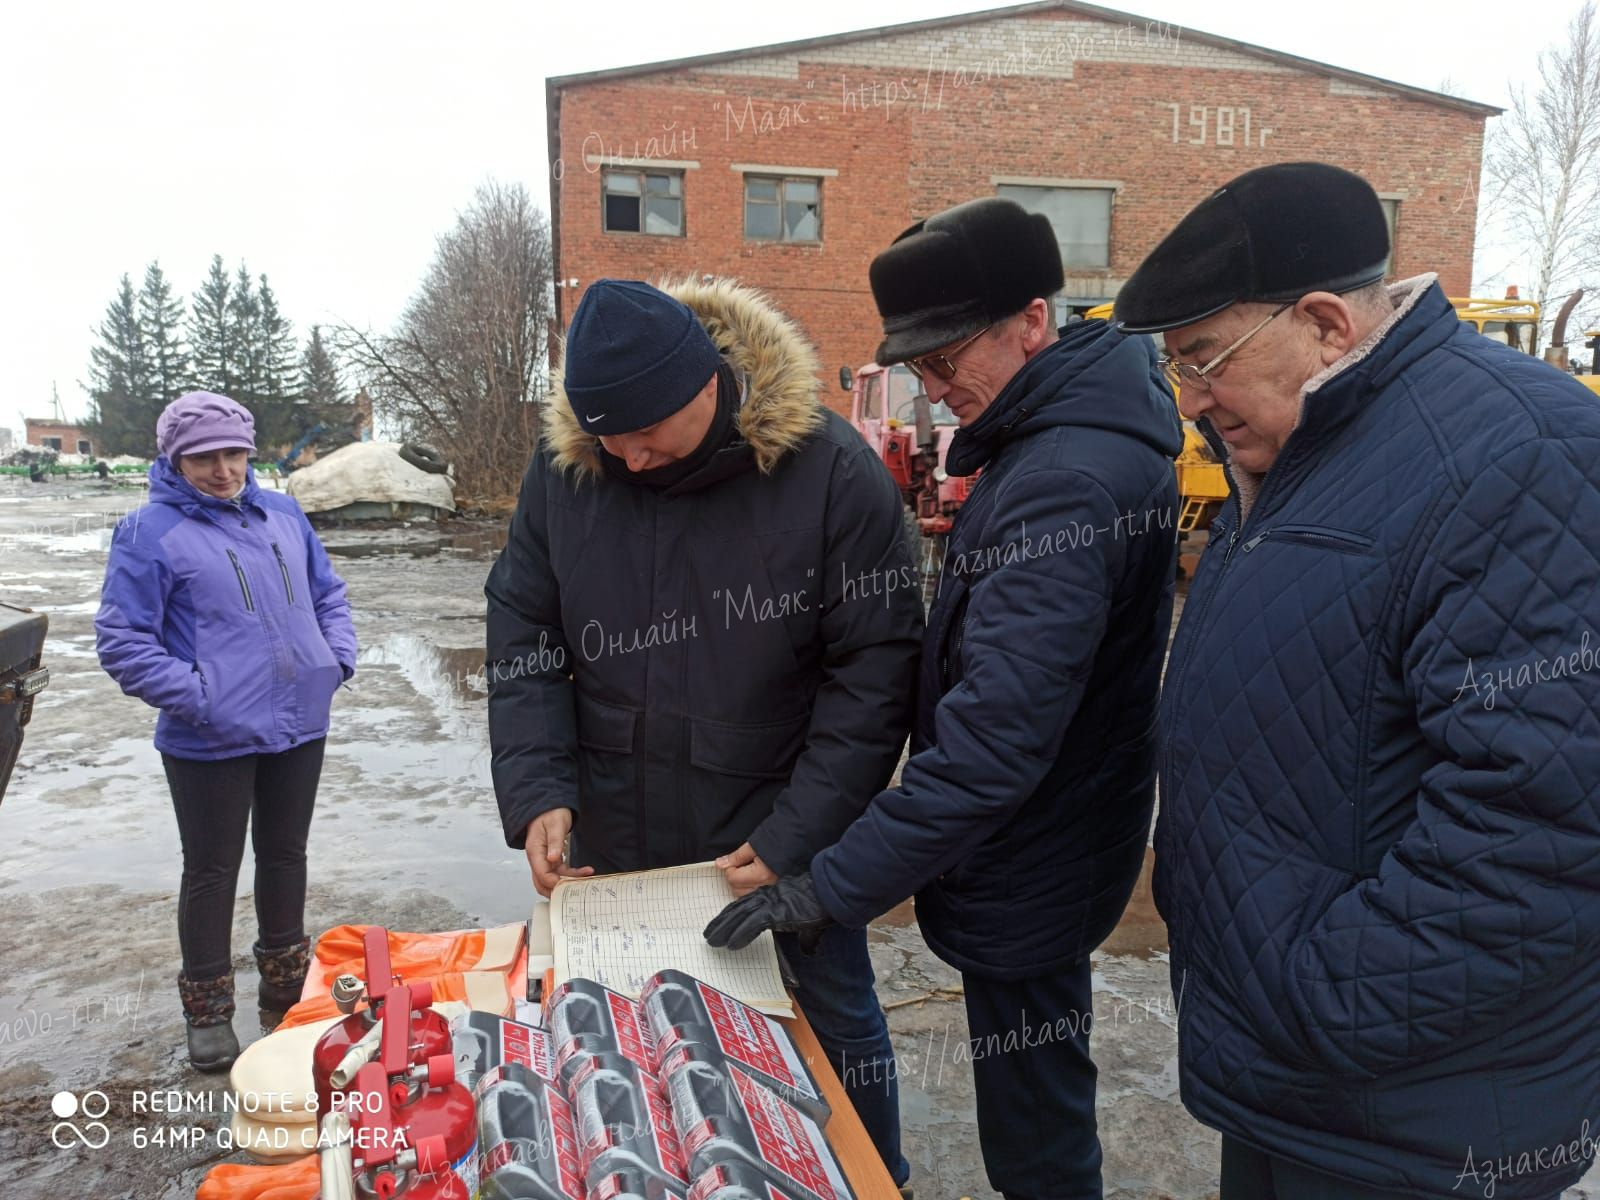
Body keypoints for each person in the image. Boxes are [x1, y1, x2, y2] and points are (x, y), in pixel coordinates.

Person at [1114, 161, 1600, 1200]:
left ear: (1327, 323)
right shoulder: (1306, 447)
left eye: (1204, 359)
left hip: (1416, 1113)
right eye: (1174, 368)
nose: (1189, 399)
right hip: (1306, 1082)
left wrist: (1322, 1001)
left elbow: (1545, 827)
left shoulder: (1520, 451)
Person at [706, 197, 1183, 1200]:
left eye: (949, 358)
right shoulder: (1065, 440)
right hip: (1057, 830)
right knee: (1036, 1089)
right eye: (917, 369)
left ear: (1033, 321)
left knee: (1036, 1125)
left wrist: (828, 887)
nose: (935, 389)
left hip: (1033, 844)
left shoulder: (1063, 478)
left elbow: (991, 745)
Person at [484, 277, 922, 1188]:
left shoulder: (830, 472)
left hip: (776, 837)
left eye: (649, 435)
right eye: (611, 438)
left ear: (708, 386)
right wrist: (539, 792)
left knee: (830, 1023)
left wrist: (799, 835)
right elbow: (523, 628)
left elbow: (873, 678)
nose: (632, 460)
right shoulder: (567, 473)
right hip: (619, 834)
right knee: (629, 1034)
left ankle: (879, 1174)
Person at [95, 391, 356, 1072]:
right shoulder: (148, 534)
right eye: (203, 457)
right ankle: (208, 1009)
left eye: (233, 452)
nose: (222, 469)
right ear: (174, 459)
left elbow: (328, 593)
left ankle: (285, 980)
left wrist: (334, 659)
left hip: (300, 719)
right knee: (212, 870)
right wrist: (200, 696)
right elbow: (122, 639)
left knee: (285, 853)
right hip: (209, 735)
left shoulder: (285, 514)